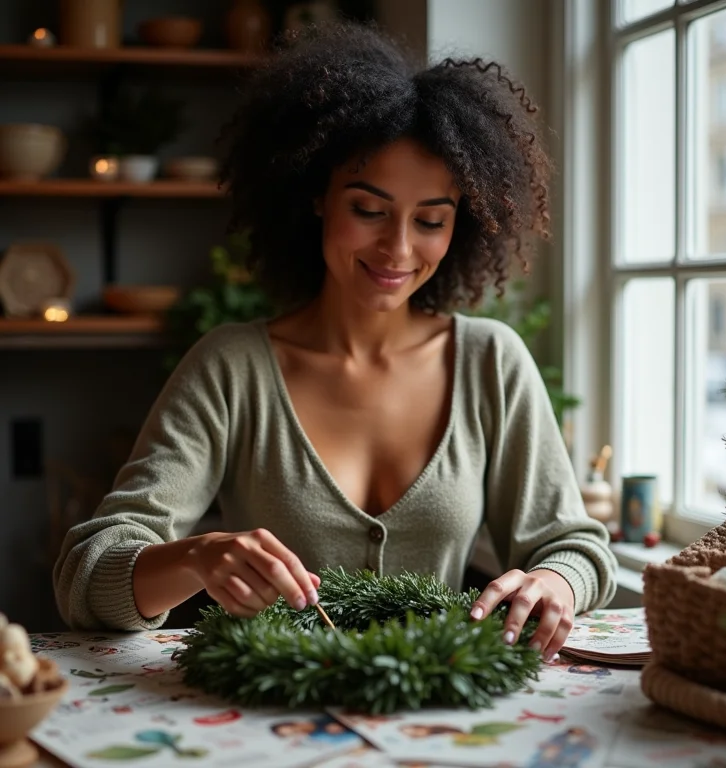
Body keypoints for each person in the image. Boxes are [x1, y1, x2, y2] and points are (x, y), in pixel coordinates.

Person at [54, 23, 617, 664]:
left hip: (442, 715)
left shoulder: (491, 363)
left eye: (430, 220)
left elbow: (576, 547)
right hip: (270, 722)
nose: (399, 249)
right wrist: (196, 555)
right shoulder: (231, 369)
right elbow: (85, 577)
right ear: (317, 196)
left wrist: (555, 581)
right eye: (369, 210)